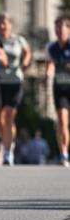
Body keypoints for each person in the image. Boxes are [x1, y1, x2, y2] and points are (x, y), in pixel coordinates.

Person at [0, 13, 30, 166]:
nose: (2, 26)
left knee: (9, 116)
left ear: (10, 24)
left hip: (15, 81)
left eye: (5, 23)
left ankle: (8, 151)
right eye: (0, 23)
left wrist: (25, 64)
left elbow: (27, 52)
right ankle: (6, 142)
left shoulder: (18, 40)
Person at [45, 14, 70, 166]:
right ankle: (64, 153)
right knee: (62, 121)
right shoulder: (51, 47)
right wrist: (48, 73)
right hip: (59, 88)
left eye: (62, 26)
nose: (59, 30)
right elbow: (49, 65)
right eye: (57, 27)